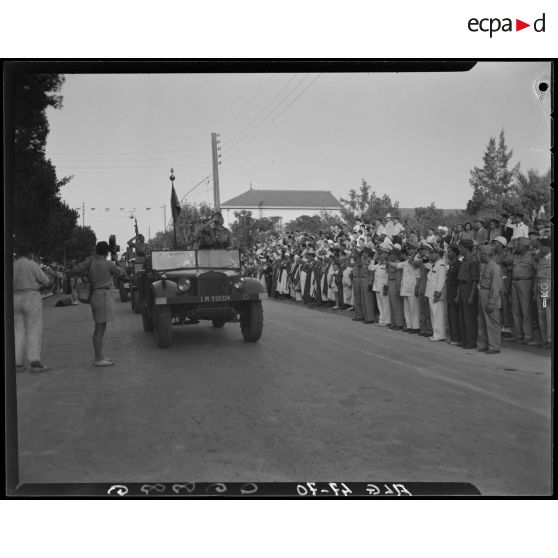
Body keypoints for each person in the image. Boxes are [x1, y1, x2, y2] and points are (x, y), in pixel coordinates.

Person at [71, 241, 126, 367]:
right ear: (107, 252)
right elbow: (121, 273)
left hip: (94, 295)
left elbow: (74, 270)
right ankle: (98, 358)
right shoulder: (108, 264)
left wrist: (86, 274)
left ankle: (99, 355)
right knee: (100, 328)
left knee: (100, 326)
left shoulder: (90, 261)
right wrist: (116, 260)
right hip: (103, 297)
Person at [13, 243, 54, 372]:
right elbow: (46, 281)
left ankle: (18, 363)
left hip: (14, 298)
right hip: (31, 296)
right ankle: (34, 362)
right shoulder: (32, 264)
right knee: (34, 329)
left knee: (18, 331)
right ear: (30, 253)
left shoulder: (12, 265)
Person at [477, 244, 503, 354]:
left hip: (490, 295)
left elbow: (496, 286)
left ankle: (494, 346)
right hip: (483, 292)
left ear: (486, 254)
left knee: (492, 321)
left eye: (481, 254)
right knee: (482, 320)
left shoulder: (495, 267)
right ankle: (484, 344)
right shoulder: (486, 265)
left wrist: (492, 301)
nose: (479, 256)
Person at [510, 237, 537, 344]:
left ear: (524, 247)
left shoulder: (531, 256)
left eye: (519, 245)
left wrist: (534, 286)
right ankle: (519, 334)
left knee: (526, 310)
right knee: (515, 310)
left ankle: (528, 335)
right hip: (514, 283)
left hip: (525, 282)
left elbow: (536, 270)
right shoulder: (516, 256)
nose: (517, 247)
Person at [457, 239, 479, 349]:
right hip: (462, 287)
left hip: (469, 287)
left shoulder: (472, 260)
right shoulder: (463, 260)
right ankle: (465, 339)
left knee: (469, 317)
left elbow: (475, 280)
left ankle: (471, 341)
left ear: (465, 248)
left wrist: (471, 296)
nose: (459, 249)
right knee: (462, 316)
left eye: (461, 247)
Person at [425, 246, 447, 341]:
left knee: (437, 314)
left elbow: (441, 280)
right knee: (434, 314)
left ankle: (440, 334)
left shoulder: (441, 265)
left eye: (432, 253)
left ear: (438, 254)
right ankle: (436, 333)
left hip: (436, 293)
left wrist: (438, 292)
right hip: (431, 292)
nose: (431, 255)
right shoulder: (436, 264)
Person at [533, 237, 551, 347]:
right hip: (540, 285)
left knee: (547, 312)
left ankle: (549, 339)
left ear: (548, 247)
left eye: (543, 246)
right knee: (541, 311)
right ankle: (544, 338)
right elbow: (537, 275)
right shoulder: (542, 258)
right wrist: (535, 290)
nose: (541, 247)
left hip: (546, 286)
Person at [445, 246, 462, 345]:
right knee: (451, 316)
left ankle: (456, 338)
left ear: (455, 254)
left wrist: (458, 295)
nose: (448, 253)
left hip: (455, 293)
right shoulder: (451, 264)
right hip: (450, 293)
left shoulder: (458, 264)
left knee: (455, 316)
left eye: (450, 252)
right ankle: (453, 337)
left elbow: (459, 281)